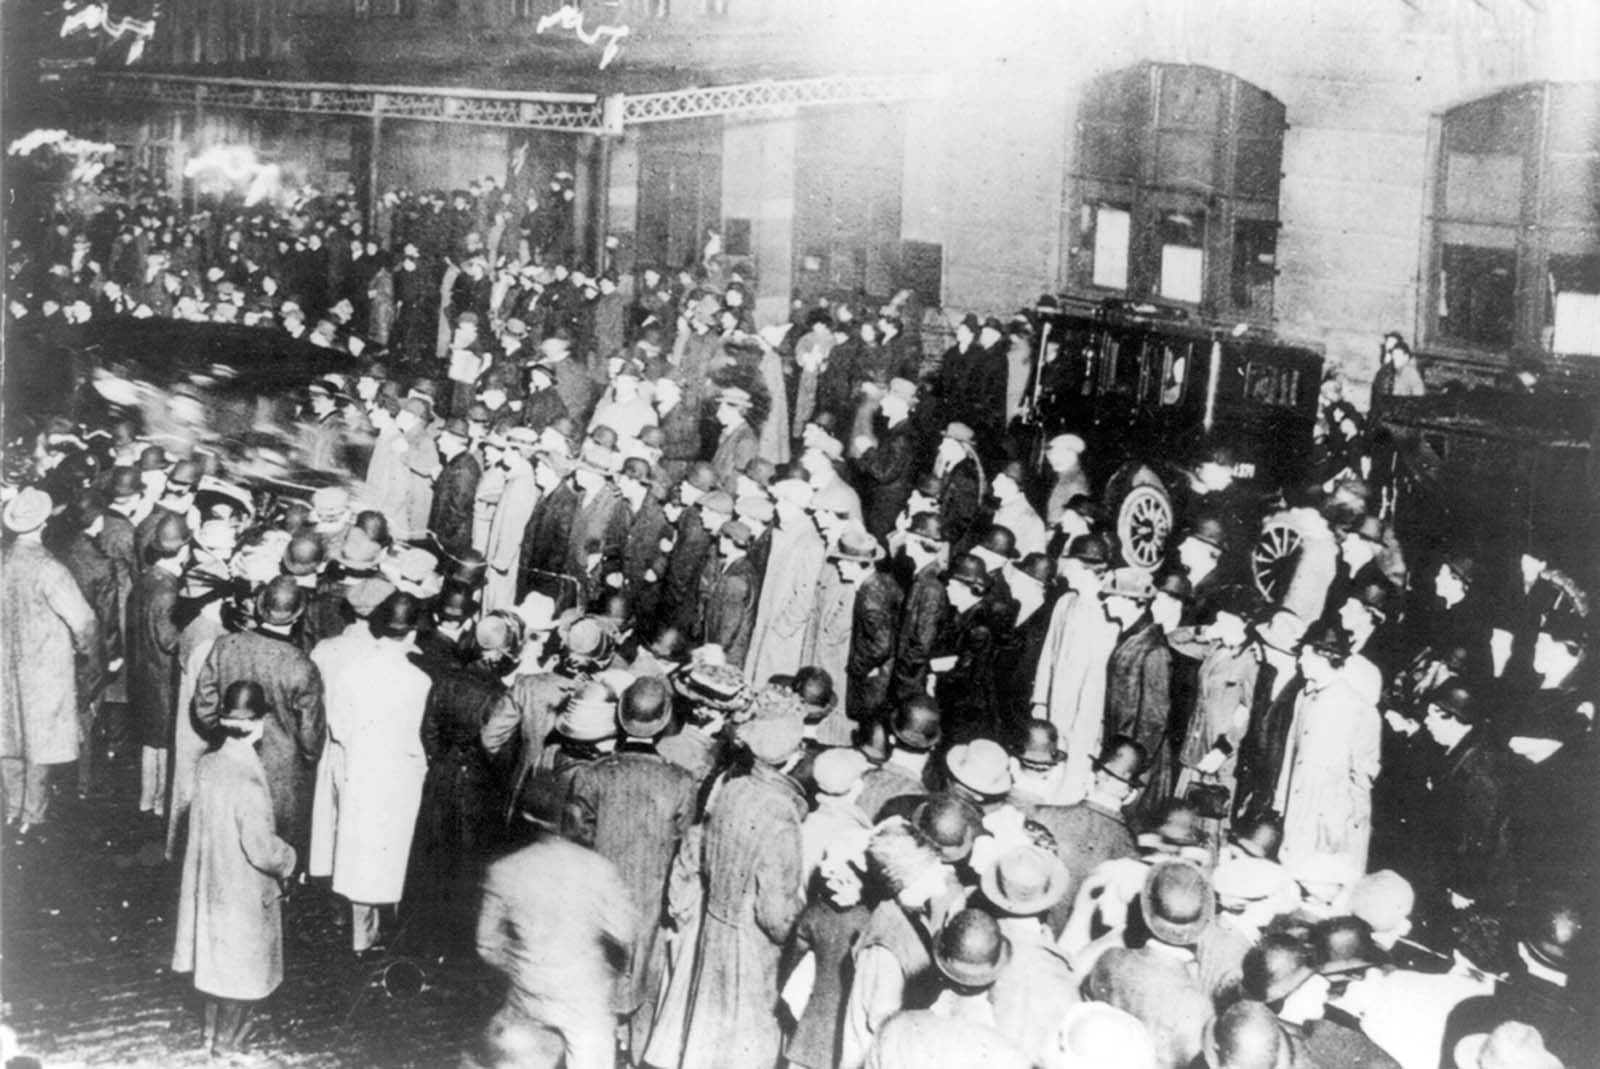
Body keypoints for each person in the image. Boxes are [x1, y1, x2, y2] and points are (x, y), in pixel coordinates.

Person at [563, 675, 696, 1055]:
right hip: (650, 906)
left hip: (596, 901)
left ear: (620, 719)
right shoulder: (681, 781)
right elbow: (683, 851)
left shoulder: (592, 775)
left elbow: (573, 841)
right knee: (642, 992)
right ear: (664, 722)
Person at [171, 680, 298, 1060]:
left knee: (216, 963)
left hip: (212, 883)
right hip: (244, 891)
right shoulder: (248, 780)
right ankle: (229, 1045)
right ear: (258, 724)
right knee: (244, 971)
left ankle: (211, 1033)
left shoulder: (210, 764)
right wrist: (290, 857)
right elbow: (261, 850)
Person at [678, 705, 808, 1069]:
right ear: (792, 758)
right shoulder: (782, 812)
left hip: (714, 929)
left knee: (706, 1038)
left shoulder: (731, 788)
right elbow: (775, 915)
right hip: (752, 948)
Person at [473, 823, 635, 1069]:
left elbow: (486, 944)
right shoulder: (600, 868)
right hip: (584, 994)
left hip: (529, 992)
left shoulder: (505, 869)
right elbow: (625, 931)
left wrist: (517, 963)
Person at [192, 575, 327, 861]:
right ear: (299, 613)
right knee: (273, 854)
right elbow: (312, 740)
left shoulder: (224, 645)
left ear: (260, 608)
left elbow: (204, 708)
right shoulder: (301, 664)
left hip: (227, 762)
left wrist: (225, 735)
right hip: (282, 779)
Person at [1, 487, 102, 833]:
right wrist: (89, 657)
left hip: (4, 667)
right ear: (43, 522)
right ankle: (33, 816)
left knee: (9, 738)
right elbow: (84, 621)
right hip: (43, 670)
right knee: (39, 742)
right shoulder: (49, 568)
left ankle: (12, 809)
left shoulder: (2, 561)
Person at [126, 510, 189, 819]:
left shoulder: (145, 579)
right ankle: (161, 804)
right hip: (163, 677)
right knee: (165, 743)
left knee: (149, 742)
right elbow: (169, 640)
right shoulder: (168, 589)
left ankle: (145, 799)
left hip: (142, 672)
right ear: (184, 548)